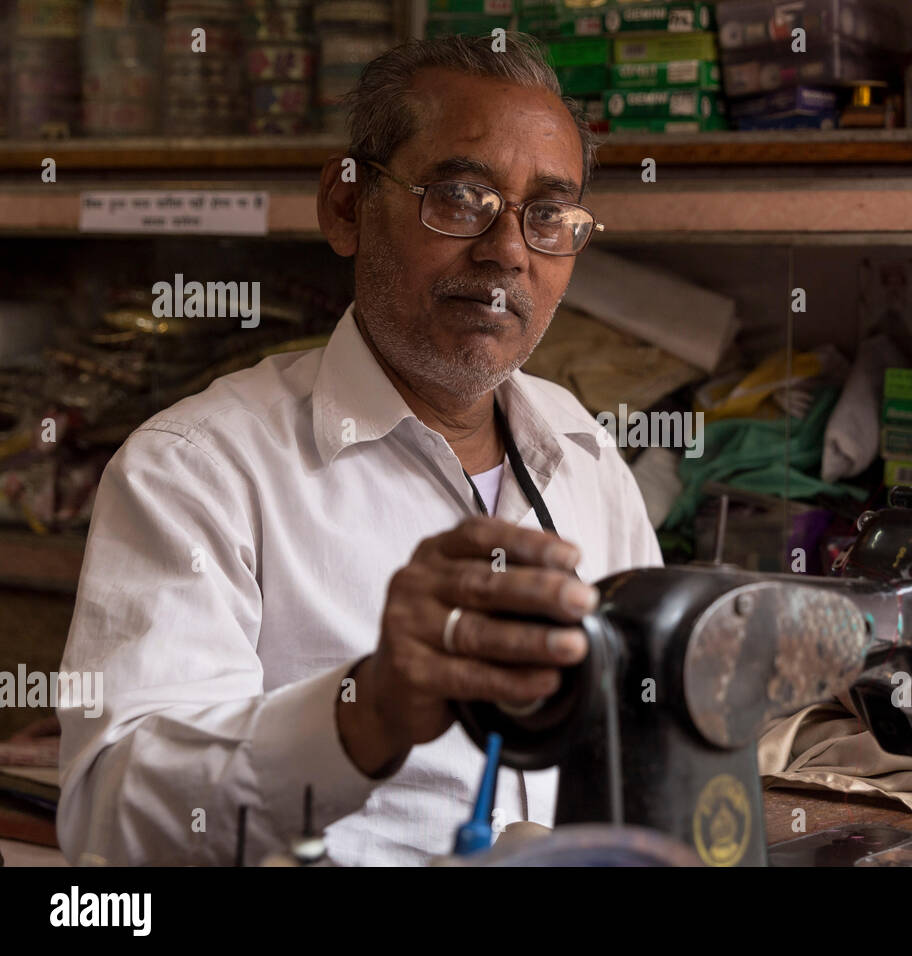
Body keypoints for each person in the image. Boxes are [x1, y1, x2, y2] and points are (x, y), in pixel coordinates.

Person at [55, 34, 662, 866]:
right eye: (458, 196)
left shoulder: (582, 450)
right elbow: (114, 823)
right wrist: (363, 712)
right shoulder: (197, 469)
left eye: (548, 215)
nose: (508, 251)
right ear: (345, 208)